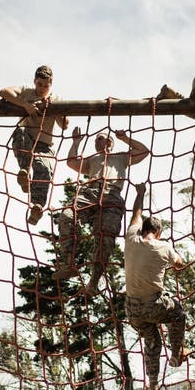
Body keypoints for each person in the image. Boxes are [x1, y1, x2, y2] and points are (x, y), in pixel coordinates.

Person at [53, 127, 149, 296]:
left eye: (102, 138)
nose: (99, 140)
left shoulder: (121, 157)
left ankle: (93, 283)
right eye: (97, 139)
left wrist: (125, 138)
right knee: (67, 216)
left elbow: (143, 151)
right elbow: (71, 162)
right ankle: (69, 263)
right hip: (91, 192)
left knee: (106, 239)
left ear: (110, 142)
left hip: (112, 195)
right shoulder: (93, 159)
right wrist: (75, 142)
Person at [124, 183, 188, 390]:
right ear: (158, 232)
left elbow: (136, 214)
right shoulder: (164, 246)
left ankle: (152, 385)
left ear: (142, 230)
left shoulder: (131, 239)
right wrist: (175, 261)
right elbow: (179, 263)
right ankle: (176, 355)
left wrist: (140, 193)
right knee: (178, 313)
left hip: (132, 311)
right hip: (153, 305)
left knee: (152, 341)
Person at [0, 65, 69, 226]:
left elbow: (64, 125)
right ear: (34, 82)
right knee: (20, 132)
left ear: (51, 84)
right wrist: (25, 104)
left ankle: (37, 207)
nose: (42, 88)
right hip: (27, 139)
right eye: (39, 84)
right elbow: (3, 92)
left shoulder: (56, 98)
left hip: (44, 144)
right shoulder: (26, 91)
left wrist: (54, 109)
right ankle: (24, 172)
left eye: (46, 85)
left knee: (44, 169)